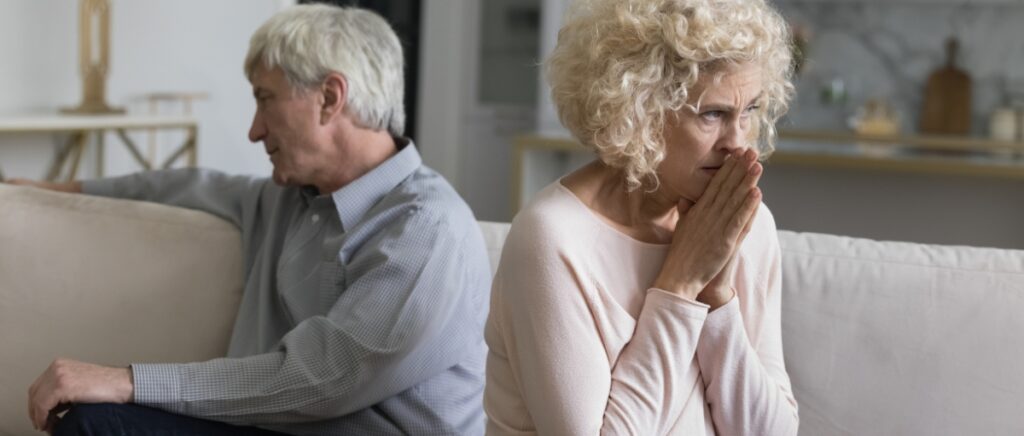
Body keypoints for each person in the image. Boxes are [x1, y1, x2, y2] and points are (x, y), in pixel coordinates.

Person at [10, 4, 491, 435]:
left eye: (265, 99)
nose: (254, 129)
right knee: (90, 422)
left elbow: (321, 379)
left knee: (99, 424)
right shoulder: (287, 199)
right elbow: (186, 183)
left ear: (330, 97)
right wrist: (54, 190)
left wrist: (127, 381)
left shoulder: (426, 230)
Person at [483, 0, 800, 434]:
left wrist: (718, 299)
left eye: (750, 112)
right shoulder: (553, 239)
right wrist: (681, 284)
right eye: (713, 113)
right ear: (640, 108)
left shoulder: (748, 223)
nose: (738, 143)